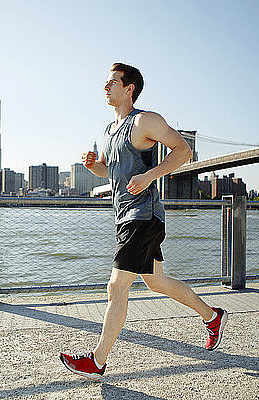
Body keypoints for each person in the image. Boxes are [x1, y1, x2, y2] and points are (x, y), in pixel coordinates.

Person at [59, 63, 227, 381]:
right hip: (125, 216)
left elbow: (184, 150)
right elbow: (111, 172)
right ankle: (212, 316)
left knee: (116, 286)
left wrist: (150, 175)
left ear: (128, 88)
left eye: (112, 82)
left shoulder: (145, 121)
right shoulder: (109, 131)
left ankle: (97, 361)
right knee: (156, 282)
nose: (105, 87)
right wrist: (95, 166)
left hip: (143, 216)